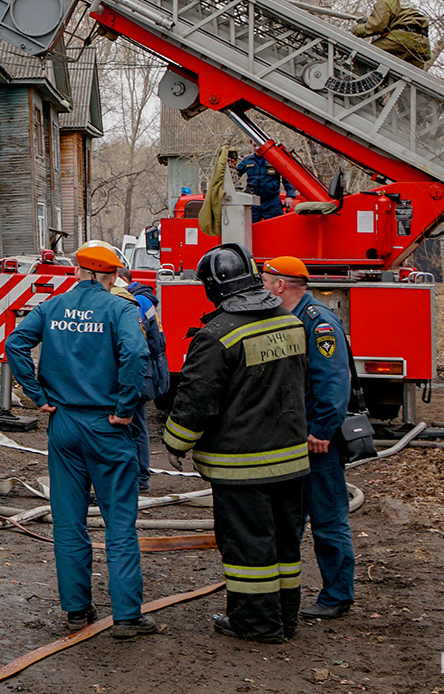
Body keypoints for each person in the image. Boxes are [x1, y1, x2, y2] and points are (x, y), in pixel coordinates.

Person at [6, 240, 158, 638]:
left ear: (77, 272)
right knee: (120, 524)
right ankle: (126, 617)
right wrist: (125, 407)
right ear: (110, 276)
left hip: (65, 425)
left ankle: (76, 610)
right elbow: (136, 355)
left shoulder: (53, 308)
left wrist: (37, 395)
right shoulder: (120, 308)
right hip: (108, 426)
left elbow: (15, 344)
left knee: (69, 523)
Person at [163, 244, 310, 644]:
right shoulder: (289, 321)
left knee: (248, 550)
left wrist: (175, 442)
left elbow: (196, 399)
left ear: (214, 287)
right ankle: (285, 618)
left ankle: (256, 625)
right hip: (292, 460)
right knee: (284, 543)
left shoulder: (217, 335)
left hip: (242, 466)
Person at [261, 256, 356, 620]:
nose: (263, 286)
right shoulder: (289, 320)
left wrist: (321, 430)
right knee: (291, 518)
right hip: (293, 438)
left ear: (281, 285)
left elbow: (333, 383)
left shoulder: (317, 323)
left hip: (316, 443)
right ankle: (289, 591)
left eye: (267, 280)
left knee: (328, 519)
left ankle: (337, 596)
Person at [113, 263, 171, 495]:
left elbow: (132, 344)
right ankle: (140, 476)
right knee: (138, 422)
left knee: (134, 423)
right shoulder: (145, 300)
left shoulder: (135, 303)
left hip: (139, 371)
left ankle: (139, 478)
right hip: (148, 369)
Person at [352, 0, 432, 67]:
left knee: (365, 55)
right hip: (421, 46)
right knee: (404, 77)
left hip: (401, 40)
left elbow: (376, 26)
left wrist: (357, 29)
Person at [234, 152, 292, 223]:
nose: (257, 148)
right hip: (253, 202)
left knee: (276, 227)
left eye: (259, 145)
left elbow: (287, 178)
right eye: (255, 145)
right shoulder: (247, 160)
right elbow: (234, 176)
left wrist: (290, 195)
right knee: (250, 229)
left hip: (272, 202)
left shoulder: (275, 160)